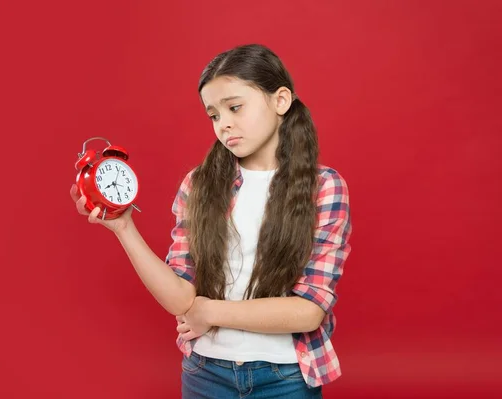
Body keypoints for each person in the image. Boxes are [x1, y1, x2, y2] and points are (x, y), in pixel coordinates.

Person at [70, 43, 352, 399]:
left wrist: (209, 312)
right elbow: (179, 299)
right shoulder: (199, 183)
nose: (224, 124)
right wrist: (124, 227)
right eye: (214, 115)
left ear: (281, 101)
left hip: (286, 379)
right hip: (205, 373)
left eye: (235, 107)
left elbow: (309, 311)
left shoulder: (324, 187)